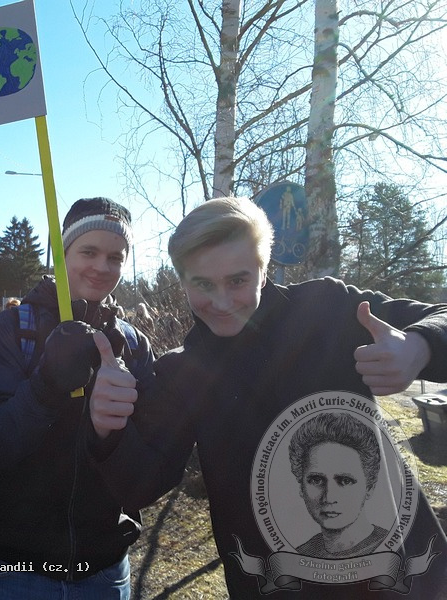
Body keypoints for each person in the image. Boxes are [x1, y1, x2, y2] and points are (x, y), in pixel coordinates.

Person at [88, 196, 447, 598]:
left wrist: (420, 346)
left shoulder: (327, 309)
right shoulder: (181, 373)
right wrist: (106, 427)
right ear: (182, 281)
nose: (222, 302)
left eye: (237, 281)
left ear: (263, 270)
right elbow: (139, 485)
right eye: (202, 284)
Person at [0, 197, 154, 599]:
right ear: (62, 252)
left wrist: (111, 434)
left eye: (116, 257)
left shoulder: (133, 343)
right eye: (89, 251)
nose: (102, 267)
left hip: (104, 568)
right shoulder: (13, 329)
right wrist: (47, 385)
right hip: (15, 569)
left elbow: (145, 469)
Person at [289, 412, 388, 559]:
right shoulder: (300, 553)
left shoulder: (389, 547)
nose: (329, 497)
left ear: (370, 487)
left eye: (345, 481)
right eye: (316, 480)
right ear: (301, 487)